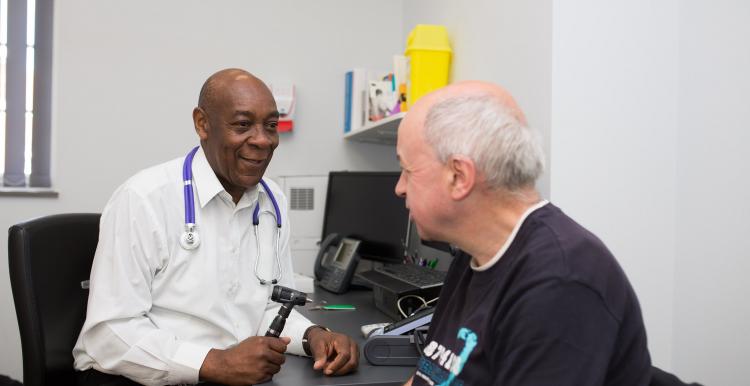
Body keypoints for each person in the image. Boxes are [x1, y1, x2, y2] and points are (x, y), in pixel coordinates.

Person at [73, 68, 359, 386]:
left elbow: (268, 308)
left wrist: (312, 336)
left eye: (271, 126)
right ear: (202, 124)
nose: (263, 140)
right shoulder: (144, 199)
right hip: (141, 378)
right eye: (242, 125)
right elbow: (109, 333)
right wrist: (214, 363)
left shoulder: (272, 203)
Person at [396, 81, 651, 385]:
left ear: (459, 176)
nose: (399, 187)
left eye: (407, 170)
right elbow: (431, 374)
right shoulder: (474, 252)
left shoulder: (561, 281)